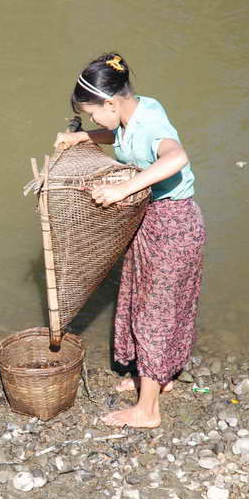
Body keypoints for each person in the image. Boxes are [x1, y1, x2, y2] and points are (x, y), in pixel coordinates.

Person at [54, 53, 205, 428]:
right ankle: (158, 379)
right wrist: (82, 137)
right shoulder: (135, 109)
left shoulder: (151, 122)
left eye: (92, 115)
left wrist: (126, 188)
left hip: (172, 226)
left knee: (156, 312)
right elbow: (119, 134)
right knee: (144, 300)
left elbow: (176, 157)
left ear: (110, 102)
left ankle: (147, 410)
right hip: (150, 221)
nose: (94, 121)